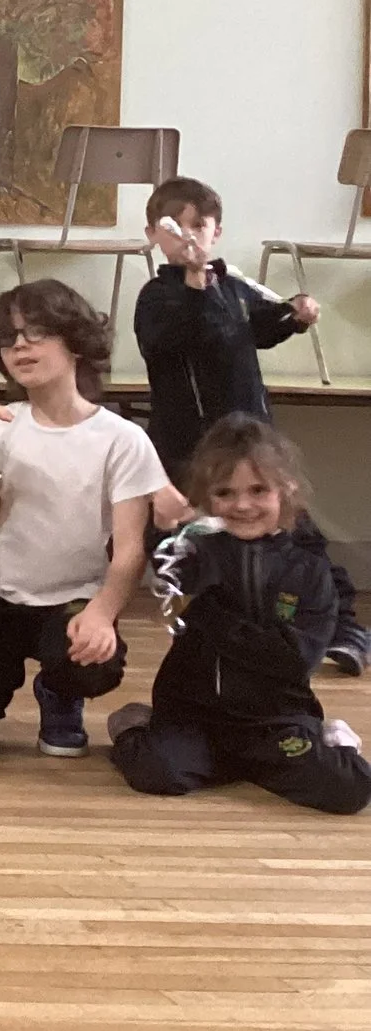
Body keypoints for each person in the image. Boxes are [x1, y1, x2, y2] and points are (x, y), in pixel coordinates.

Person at [0, 279, 171, 760]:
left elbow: (130, 550)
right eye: (8, 338)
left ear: (75, 340)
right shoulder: (1, 423)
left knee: (95, 662)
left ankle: (59, 691)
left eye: (36, 332)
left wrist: (102, 612)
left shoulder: (121, 438)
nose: (20, 346)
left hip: (71, 599)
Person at [135, 176, 364, 674]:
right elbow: (179, 335)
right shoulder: (157, 297)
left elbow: (258, 327)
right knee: (198, 550)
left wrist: (293, 317)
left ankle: (345, 629)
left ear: (216, 232)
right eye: (177, 227)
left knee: (302, 539)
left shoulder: (233, 286)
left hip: (255, 446)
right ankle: (221, 638)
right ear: (154, 234)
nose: (190, 236)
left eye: (200, 225)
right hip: (196, 454)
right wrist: (195, 284)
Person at [109, 418, 369, 814]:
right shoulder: (195, 552)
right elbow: (161, 569)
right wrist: (162, 526)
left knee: (349, 787)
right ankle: (136, 726)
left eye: (258, 490)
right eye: (225, 493)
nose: (243, 505)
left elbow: (294, 659)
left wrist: (208, 615)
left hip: (275, 719)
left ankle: (331, 740)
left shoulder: (309, 570)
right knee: (157, 772)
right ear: (206, 499)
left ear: (286, 490)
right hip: (194, 714)